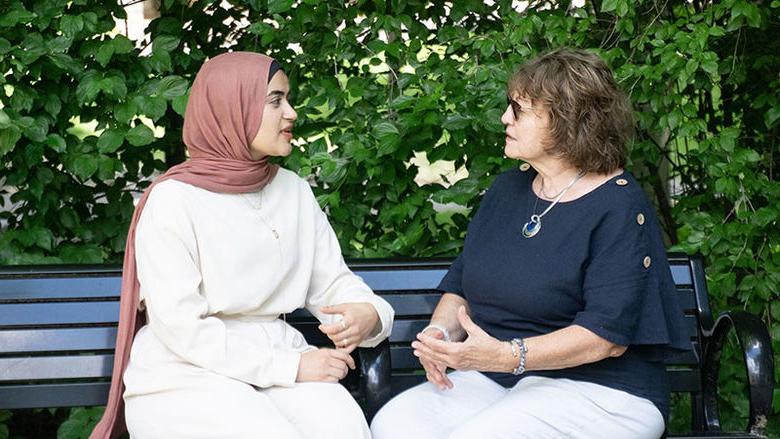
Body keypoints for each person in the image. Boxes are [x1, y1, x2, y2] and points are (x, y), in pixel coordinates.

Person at [370, 48, 689, 439]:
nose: (505, 118)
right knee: (395, 426)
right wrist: (440, 337)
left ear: (567, 120)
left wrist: (507, 356)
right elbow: (460, 287)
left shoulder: (619, 204)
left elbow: (604, 339)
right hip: (500, 380)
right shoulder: (507, 190)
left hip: (604, 391)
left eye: (518, 110)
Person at [90, 52, 394, 439]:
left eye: (288, 99)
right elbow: (182, 328)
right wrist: (292, 368)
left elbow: (332, 283)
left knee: (345, 429)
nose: (292, 113)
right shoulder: (173, 200)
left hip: (280, 361)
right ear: (232, 107)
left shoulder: (293, 191)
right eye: (276, 100)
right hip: (184, 376)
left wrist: (368, 315)